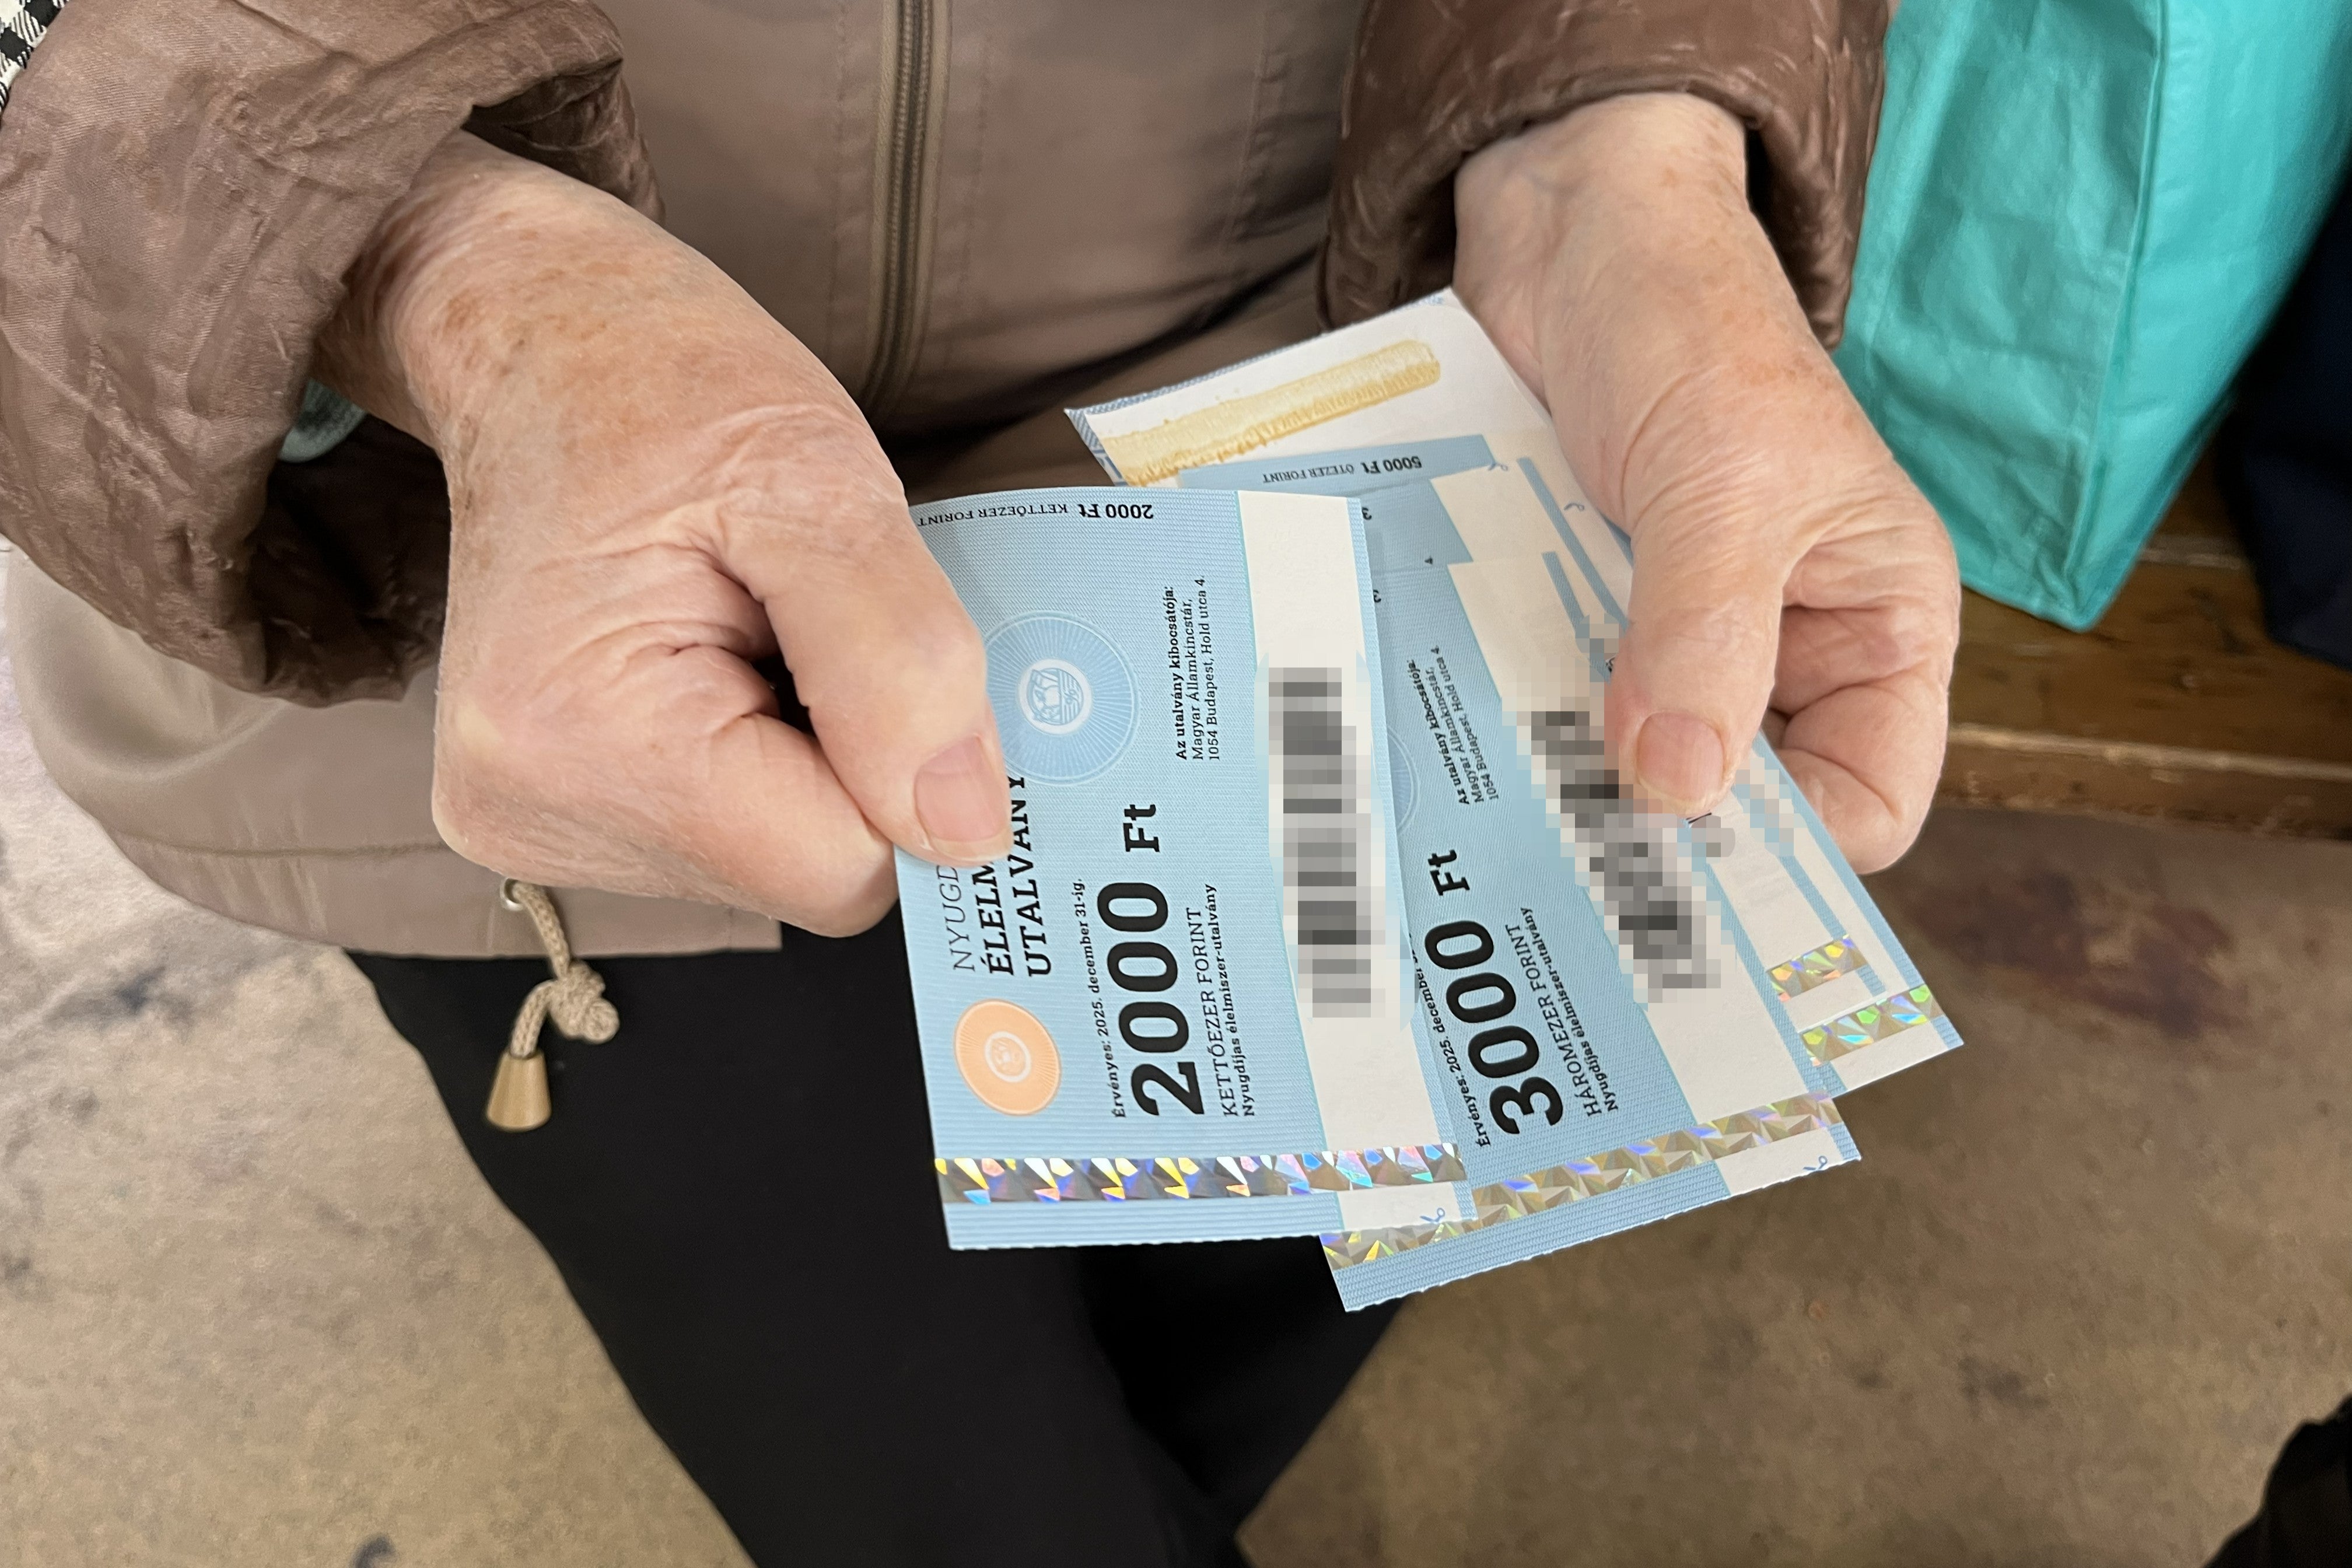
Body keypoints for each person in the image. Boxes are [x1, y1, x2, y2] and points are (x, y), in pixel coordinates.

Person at [0, 2, 1958, 1562]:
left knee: (1243, 1319)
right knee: (929, 1481)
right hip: (430, 545)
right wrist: (422, 261)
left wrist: (1616, 130)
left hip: (1293, 437)